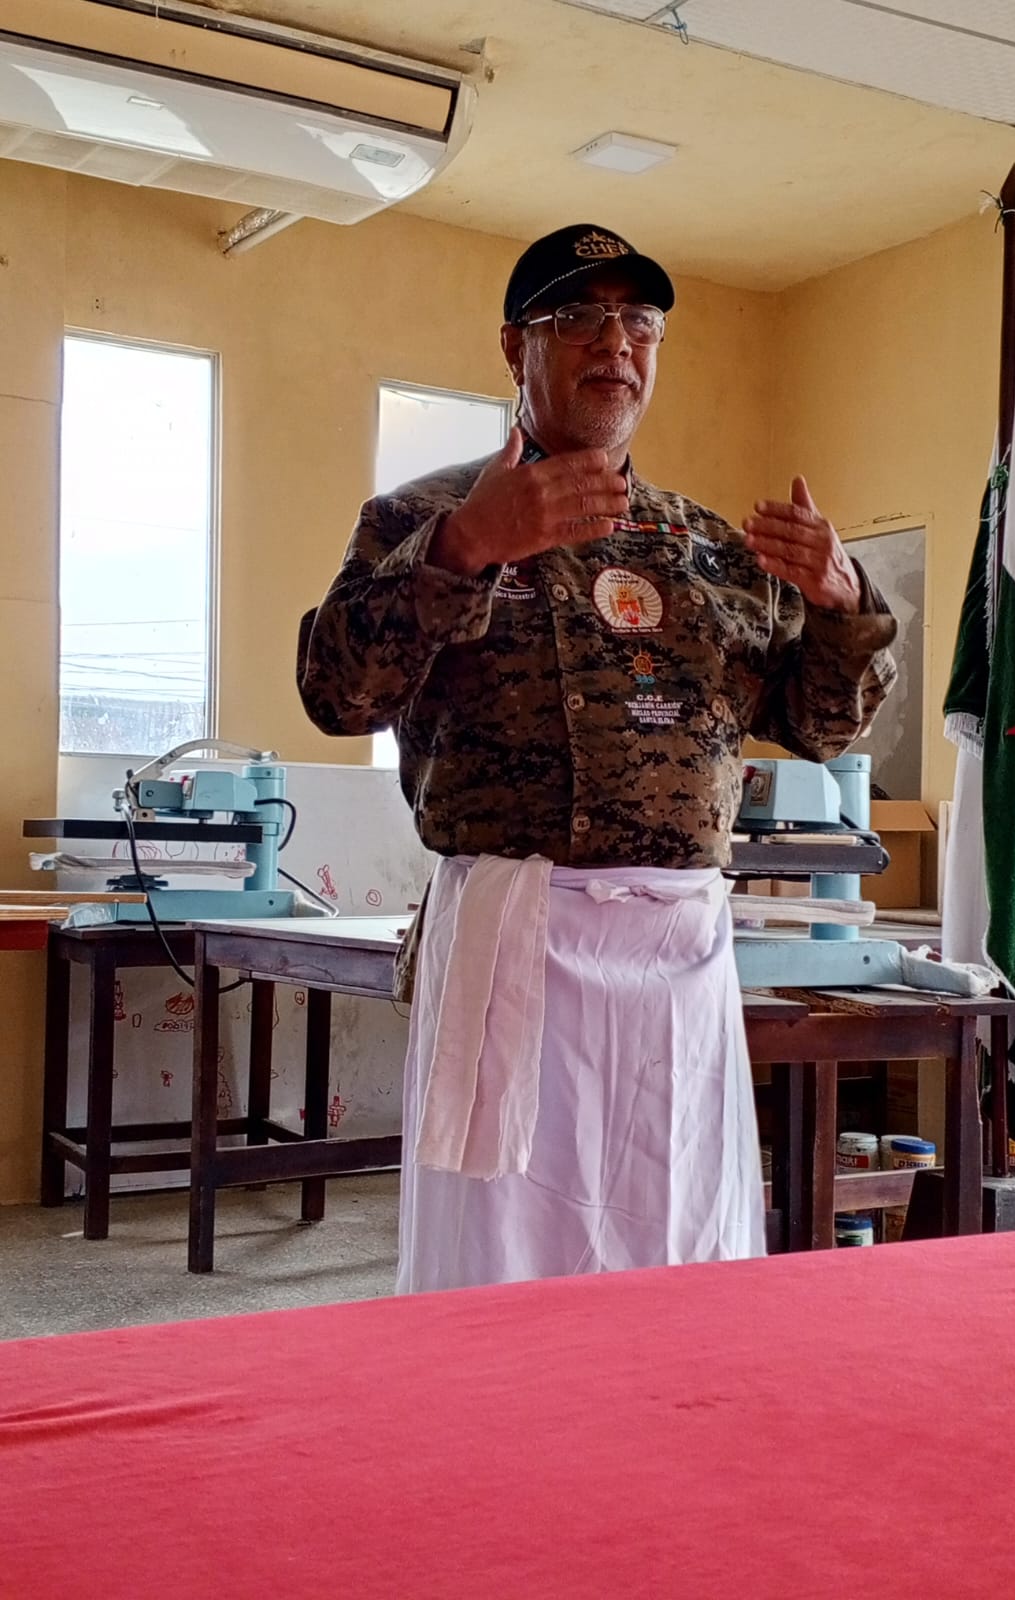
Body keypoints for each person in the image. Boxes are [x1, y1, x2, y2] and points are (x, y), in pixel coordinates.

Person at [298, 223, 897, 1293]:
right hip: (513, 944)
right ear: (515, 346)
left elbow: (821, 725)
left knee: (675, 1245)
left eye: (639, 321)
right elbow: (336, 693)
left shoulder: (709, 548)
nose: (615, 343)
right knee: (499, 1261)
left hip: (677, 963)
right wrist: (466, 550)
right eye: (579, 317)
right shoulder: (422, 518)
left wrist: (844, 608)